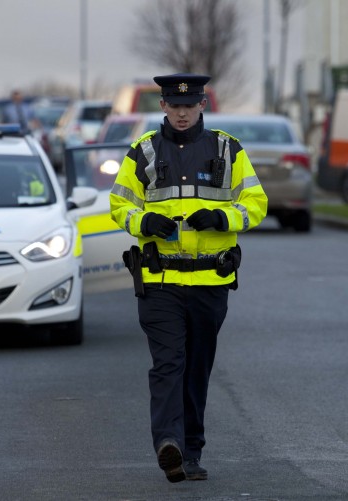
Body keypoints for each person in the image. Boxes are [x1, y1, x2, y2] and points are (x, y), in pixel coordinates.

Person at [110, 73, 268, 483]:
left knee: (196, 369)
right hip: (159, 283)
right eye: (175, 106)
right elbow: (119, 206)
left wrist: (222, 215)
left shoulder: (228, 150)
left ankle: (190, 451)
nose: (182, 113)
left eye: (190, 105)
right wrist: (146, 221)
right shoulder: (142, 152)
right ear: (163, 106)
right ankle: (169, 443)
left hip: (210, 284)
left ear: (202, 105)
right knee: (168, 365)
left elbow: (256, 203)